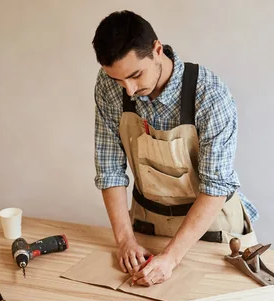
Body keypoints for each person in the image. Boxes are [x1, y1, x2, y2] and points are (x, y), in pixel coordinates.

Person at [92, 10, 258, 287]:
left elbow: (216, 187)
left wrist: (170, 258)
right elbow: (109, 170)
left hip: (212, 229)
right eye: (119, 81)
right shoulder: (110, 85)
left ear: (157, 50)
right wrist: (125, 241)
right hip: (147, 225)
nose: (129, 90)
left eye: (135, 76)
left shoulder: (209, 94)